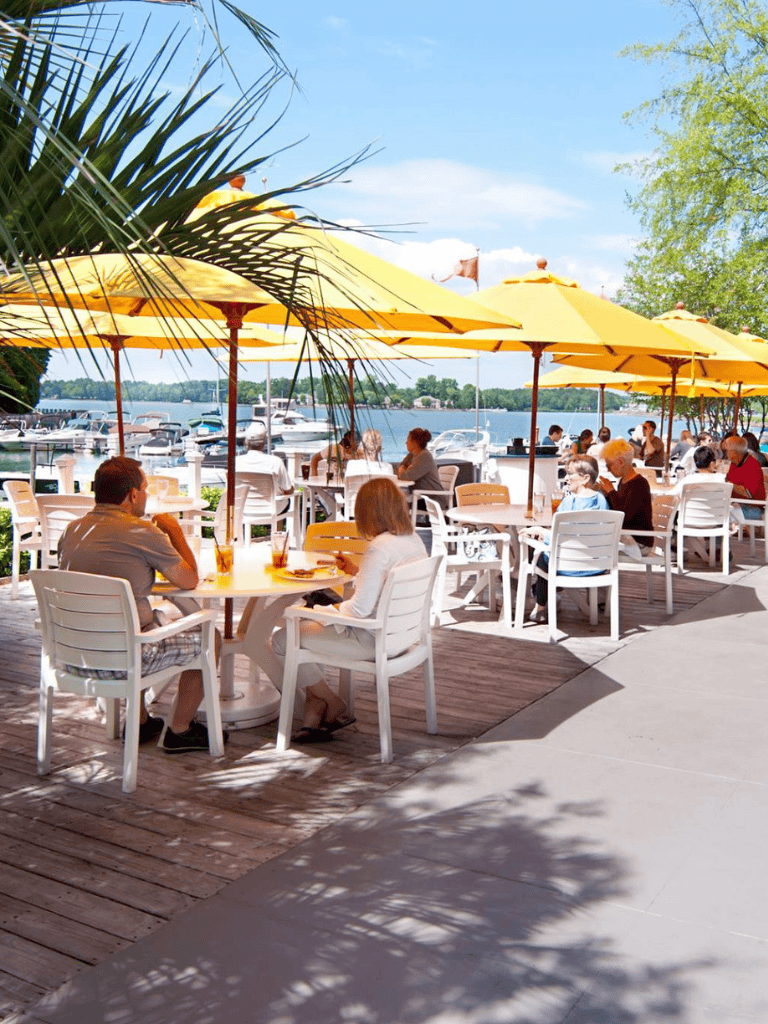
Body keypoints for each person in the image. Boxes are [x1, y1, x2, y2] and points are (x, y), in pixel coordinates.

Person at [58, 457, 222, 753]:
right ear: (133, 494)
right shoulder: (142, 532)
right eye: (145, 488)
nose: (146, 495)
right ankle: (180, 729)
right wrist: (174, 531)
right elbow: (188, 579)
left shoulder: (71, 530)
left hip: (74, 656)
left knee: (146, 621)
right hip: (125, 659)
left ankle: (141, 720)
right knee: (211, 638)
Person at [271, 477, 427, 743]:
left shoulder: (380, 547)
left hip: (371, 639)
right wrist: (357, 572)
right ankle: (315, 712)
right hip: (403, 637)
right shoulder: (412, 540)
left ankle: (332, 701)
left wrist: (325, 609)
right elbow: (386, 586)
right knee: (309, 632)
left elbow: (359, 610)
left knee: (284, 638)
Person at [521, 456, 609, 623]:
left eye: (571, 474)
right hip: (596, 566)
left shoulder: (569, 502)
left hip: (566, 566)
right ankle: (546, 599)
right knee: (546, 549)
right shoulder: (602, 501)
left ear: (585, 478)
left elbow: (558, 538)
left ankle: (540, 606)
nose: (566, 478)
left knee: (539, 553)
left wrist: (540, 531)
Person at [597, 438, 654, 551]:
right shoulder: (624, 482)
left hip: (638, 541)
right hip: (628, 536)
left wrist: (611, 492)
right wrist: (607, 494)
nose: (608, 470)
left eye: (609, 465)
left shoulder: (639, 484)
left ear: (621, 462)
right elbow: (617, 508)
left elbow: (624, 516)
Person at [236, 435, 294, 515]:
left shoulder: (236, 462)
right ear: (263, 444)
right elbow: (288, 490)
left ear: (246, 443)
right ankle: (276, 527)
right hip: (272, 511)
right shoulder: (276, 461)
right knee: (283, 501)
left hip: (244, 510)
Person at [396, 427, 446, 507]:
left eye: (408, 440)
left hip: (432, 499)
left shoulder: (424, 456)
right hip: (421, 496)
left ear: (414, 443)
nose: (406, 443)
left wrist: (404, 469)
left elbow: (405, 476)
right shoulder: (412, 455)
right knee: (394, 498)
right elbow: (399, 468)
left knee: (396, 503)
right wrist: (403, 469)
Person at [723, 435, 766, 520]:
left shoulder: (752, 466)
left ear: (734, 453)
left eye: (726, 451)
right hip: (738, 503)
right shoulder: (734, 463)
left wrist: (729, 484)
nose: (725, 453)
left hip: (753, 508)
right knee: (718, 508)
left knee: (721, 512)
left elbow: (749, 493)